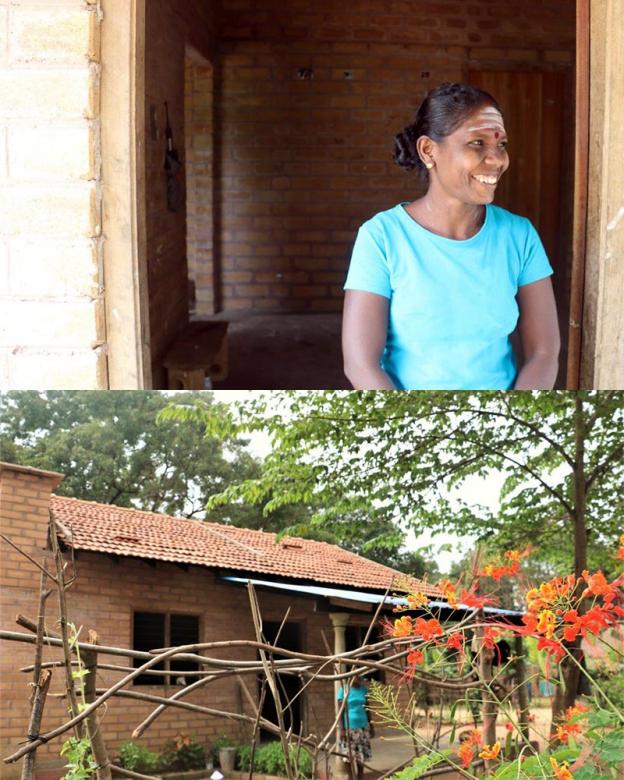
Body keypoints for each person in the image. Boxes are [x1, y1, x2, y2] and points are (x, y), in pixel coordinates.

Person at [342, 82, 560, 390]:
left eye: (501, 145)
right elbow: (360, 364)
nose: (497, 159)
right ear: (428, 150)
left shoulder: (519, 236)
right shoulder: (382, 237)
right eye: (477, 143)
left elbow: (544, 352)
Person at [337, 676, 372, 779]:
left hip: (363, 728)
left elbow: (368, 709)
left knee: (361, 756)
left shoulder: (363, 690)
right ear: (350, 676)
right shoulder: (343, 690)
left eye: (359, 676)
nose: (358, 678)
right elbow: (340, 712)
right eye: (355, 675)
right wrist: (341, 729)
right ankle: (351, 777)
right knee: (348, 756)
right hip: (349, 729)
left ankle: (360, 777)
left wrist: (371, 725)